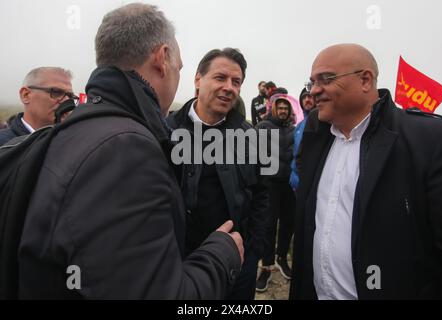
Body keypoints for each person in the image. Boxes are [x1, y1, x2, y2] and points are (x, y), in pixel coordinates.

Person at [19, 3, 243, 299]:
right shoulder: (127, 150)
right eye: (180, 67)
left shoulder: (75, 129)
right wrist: (220, 255)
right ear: (163, 59)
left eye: (237, 82)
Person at [289, 43, 442, 300]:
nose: (315, 91)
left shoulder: (430, 140)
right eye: (312, 83)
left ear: (365, 80)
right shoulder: (315, 136)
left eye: (326, 79)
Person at [167, 48, 269, 300]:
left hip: (238, 262)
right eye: (220, 77)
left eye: (236, 82)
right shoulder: (165, 132)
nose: (229, 87)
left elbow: (263, 194)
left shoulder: (252, 137)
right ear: (198, 79)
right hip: (179, 261)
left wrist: (252, 250)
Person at [255, 94, 295, 292]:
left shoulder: (293, 129)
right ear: (273, 109)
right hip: (269, 184)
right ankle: (267, 266)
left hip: (288, 185)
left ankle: (281, 258)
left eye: (286, 109)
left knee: (288, 223)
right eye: (280, 108)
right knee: (268, 226)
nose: (283, 111)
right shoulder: (262, 127)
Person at [0, 67, 76, 146]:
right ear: (26, 95)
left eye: (70, 96)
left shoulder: (73, 143)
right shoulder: (3, 145)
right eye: (56, 92)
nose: (67, 101)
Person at [289, 88, 316, 190]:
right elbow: (295, 153)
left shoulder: (321, 121)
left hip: (311, 180)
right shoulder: (299, 126)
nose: (307, 99)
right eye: (304, 97)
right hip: (296, 181)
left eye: (310, 96)